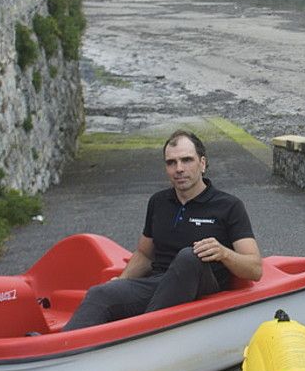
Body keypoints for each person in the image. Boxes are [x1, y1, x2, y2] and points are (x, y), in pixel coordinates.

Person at [61, 130, 263, 331]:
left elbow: (255, 269)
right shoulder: (158, 202)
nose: (179, 169)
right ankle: (61, 349)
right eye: (171, 163)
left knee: (190, 256)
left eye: (186, 160)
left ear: (202, 163)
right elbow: (145, 254)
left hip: (202, 289)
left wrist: (224, 253)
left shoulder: (229, 206)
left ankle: (141, 333)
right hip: (159, 284)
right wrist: (121, 282)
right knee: (101, 293)